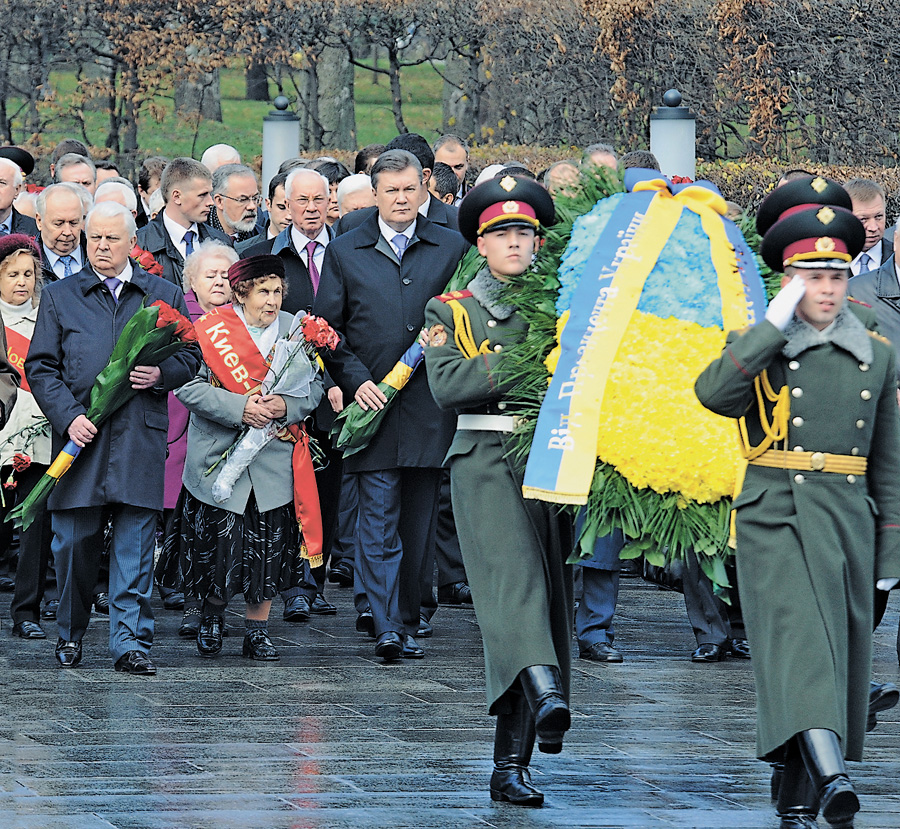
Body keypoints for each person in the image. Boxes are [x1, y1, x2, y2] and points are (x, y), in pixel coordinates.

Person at [695, 177, 900, 829]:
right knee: (803, 643)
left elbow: (888, 461)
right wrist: (770, 326)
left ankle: (795, 803)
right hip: (774, 510)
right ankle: (832, 774)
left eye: (837, 274)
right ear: (788, 279)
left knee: (828, 655)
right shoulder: (762, 338)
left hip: (847, 518)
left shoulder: (877, 343)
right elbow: (713, 393)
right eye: (812, 275)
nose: (828, 288)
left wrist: (891, 547)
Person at [423, 175, 572, 807]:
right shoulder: (451, 310)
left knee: (545, 605)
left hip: (550, 460)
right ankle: (543, 687)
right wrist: (524, 356)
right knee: (514, 588)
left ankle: (512, 763)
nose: (515, 243)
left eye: (525, 233)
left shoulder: (564, 303)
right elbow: (449, 388)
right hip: (484, 460)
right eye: (502, 233)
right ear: (480, 245)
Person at [25, 201, 201, 675]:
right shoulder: (62, 295)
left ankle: (130, 643)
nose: (101, 246)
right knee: (73, 545)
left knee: (136, 546)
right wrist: (68, 416)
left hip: (139, 437)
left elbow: (192, 356)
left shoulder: (161, 292)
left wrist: (161, 374)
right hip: (80, 438)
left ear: (131, 244)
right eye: (94, 238)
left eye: (111, 239)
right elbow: (40, 366)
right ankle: (70, 634)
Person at [316, 149, 469, 661]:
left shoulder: (450, 246)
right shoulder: (345, 248)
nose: (401, 199)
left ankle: (407, 619)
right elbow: (327, 328)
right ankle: (384, 624)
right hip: (372, 407)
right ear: (374, 194)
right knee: (376, 519)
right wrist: (355, 380)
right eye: (391, 191)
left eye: (409, 189)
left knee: (418, 525)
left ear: (424, 188)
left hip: (429, 406)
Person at [165, 255, 323, 661]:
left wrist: (284, 407)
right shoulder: (212, 330)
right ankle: (213, 618)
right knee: (219, 546)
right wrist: (240, 408)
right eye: (262, 292)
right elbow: (188, 386)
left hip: (273, 460)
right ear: (241, 293)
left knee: (268, 548)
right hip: (218, 455)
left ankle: (257, 630)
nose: (271, 301)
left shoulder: (295, 330)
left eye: (277, 292)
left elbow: (314, 390)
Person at [155, 240, 237, 636]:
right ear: (191, 280)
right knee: (183, 519)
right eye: (211, 275)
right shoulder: (176, 316)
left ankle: (211, 600)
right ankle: (183, 591)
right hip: (181, 430)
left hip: (229, 434)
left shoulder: (242, 321)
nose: (220, 282)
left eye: (226, 275)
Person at [0, 236, 49, 632]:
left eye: (29, 274)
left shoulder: (48, 318)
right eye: (12, 274)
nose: (22, 282)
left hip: (38, 435)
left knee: (34, 524)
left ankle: (26, 611)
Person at [135, 157, 232, 288]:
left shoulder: (222, 242)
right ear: (177, 197)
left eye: (210, 194)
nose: (210, 202)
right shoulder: (139, 245)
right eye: (202, 195)